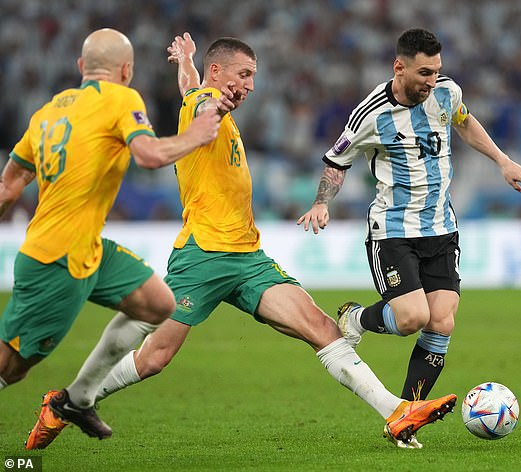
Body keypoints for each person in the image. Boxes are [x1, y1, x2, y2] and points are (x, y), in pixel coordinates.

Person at [28, 32, 457, 451]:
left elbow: (193, 89)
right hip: (202, 257)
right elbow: (201, 100)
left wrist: (186, 65)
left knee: (323, 328)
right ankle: (65, 403)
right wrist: (209, 93)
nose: (250, 85)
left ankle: (396, 410)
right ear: (218, 72)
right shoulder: (206, 105)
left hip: (248, 257)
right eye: (244, 75)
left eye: (253, 77)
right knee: (155, 359)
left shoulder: (204, 97)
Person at [298, 28, 521, 440]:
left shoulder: (447, 93)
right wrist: (322, 201)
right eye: (425, 72)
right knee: (413, 317)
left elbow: (464, 122)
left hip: (441, 228)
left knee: (442, 323)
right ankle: (356, 317)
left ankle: (408, 416)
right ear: (399, 66)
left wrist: (504, 161)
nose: (432, 81)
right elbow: (336, 161)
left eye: (437, 72)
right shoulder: (371, 114)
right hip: (393, 232)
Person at [0, 28, 221, 449]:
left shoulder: (47, 112)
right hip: (56, 259)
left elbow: (9, 187)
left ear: (82, 68)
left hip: (87, 248)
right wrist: (197, 134)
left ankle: (79, 399)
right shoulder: (122, 98)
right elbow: (149, 155)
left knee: (158, 303)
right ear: (127, 70)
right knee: (11, 366)